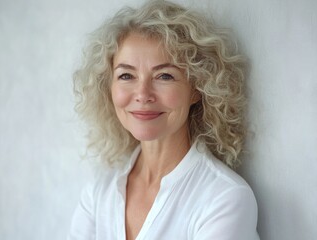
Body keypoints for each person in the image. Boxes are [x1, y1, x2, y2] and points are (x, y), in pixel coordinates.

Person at [68, 0, 259, 239]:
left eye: (164, 76)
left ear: (197, 89)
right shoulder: (99, 193)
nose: (142, 94)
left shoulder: (225, 198)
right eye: (126, 75)